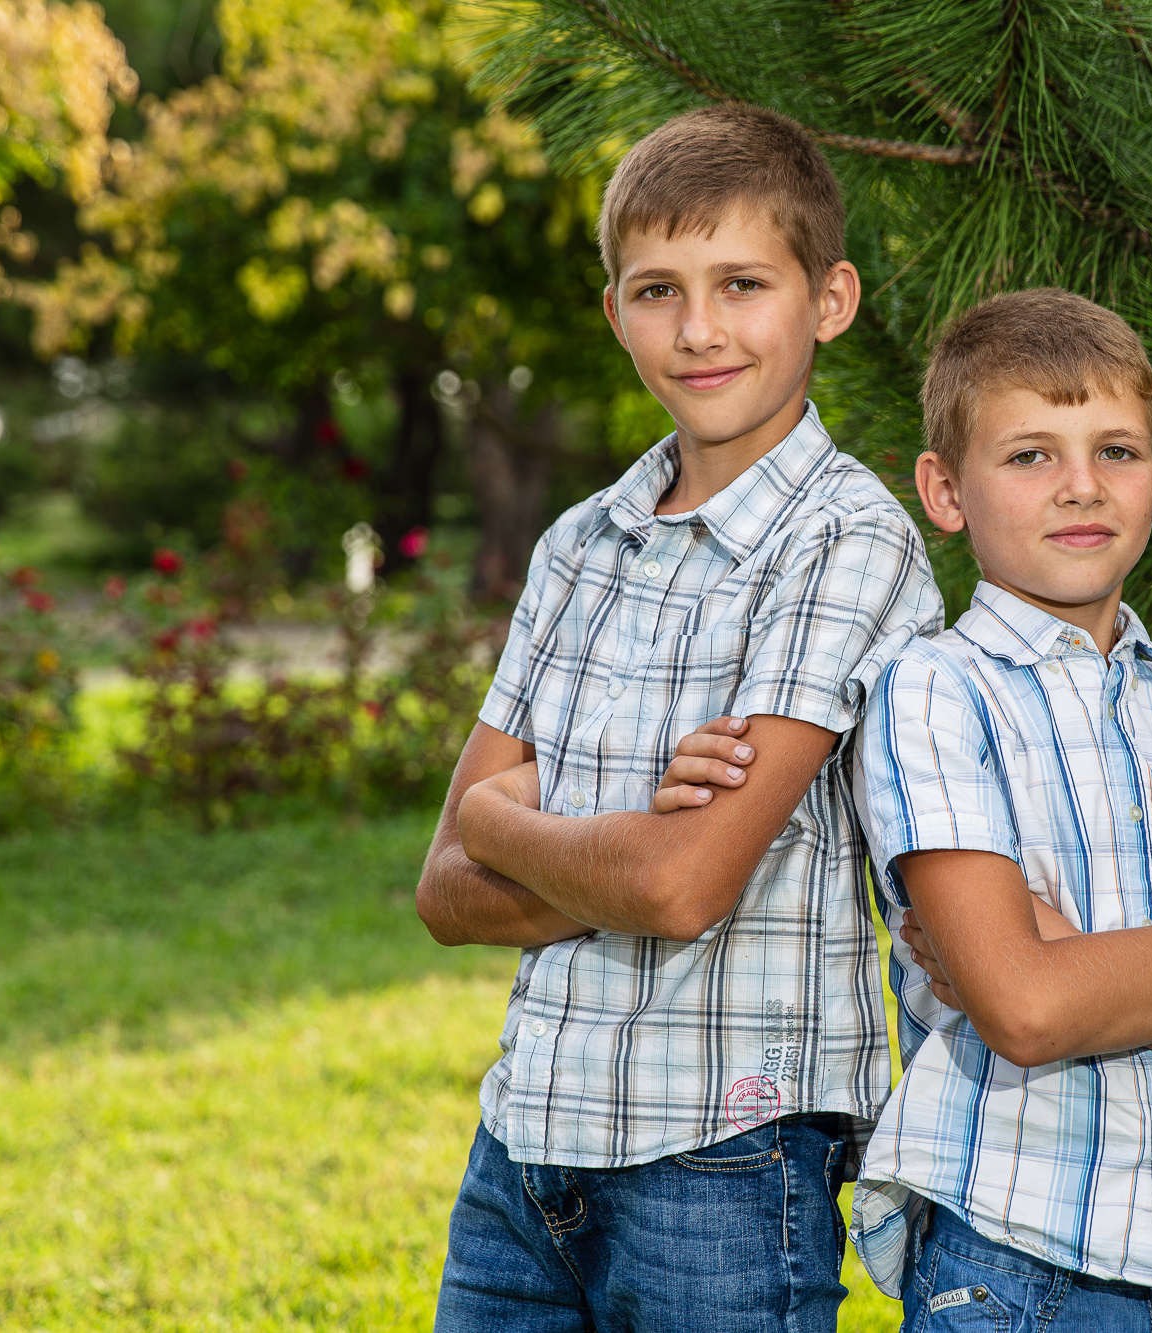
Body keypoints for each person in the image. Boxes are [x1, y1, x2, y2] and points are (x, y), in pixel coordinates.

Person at [413, 102, 943, 1333]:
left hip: (724, 1155)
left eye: (742, 283)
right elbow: (442, 892)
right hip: (522, 1145)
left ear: (829, 299)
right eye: (656, 290)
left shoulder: (843, 542)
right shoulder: (579, 543)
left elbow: (679, 888)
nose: (698, 329)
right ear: (614, 314)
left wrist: (510, 819)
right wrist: (623, 836)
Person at [752, 286, 1152, 1331]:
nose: (1080, 486)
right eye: (1029, 454)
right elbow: (1027, 1013)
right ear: (944, 490)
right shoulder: (934, 691)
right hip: (1023, 1271)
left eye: (1116, 452)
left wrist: (1080, 964)